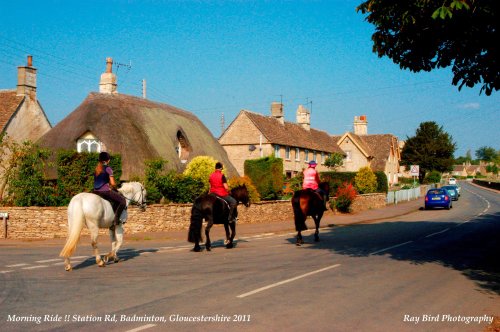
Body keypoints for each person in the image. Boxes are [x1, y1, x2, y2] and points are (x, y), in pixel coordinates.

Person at [93, 151, 126, 228]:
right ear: (108, 160)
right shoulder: (108, 169)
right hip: (105, 191)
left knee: (114, 201)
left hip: (96, 191)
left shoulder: (97, 169)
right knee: (123, 201)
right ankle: (116, 220)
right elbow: (113, 183)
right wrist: (115, 188)